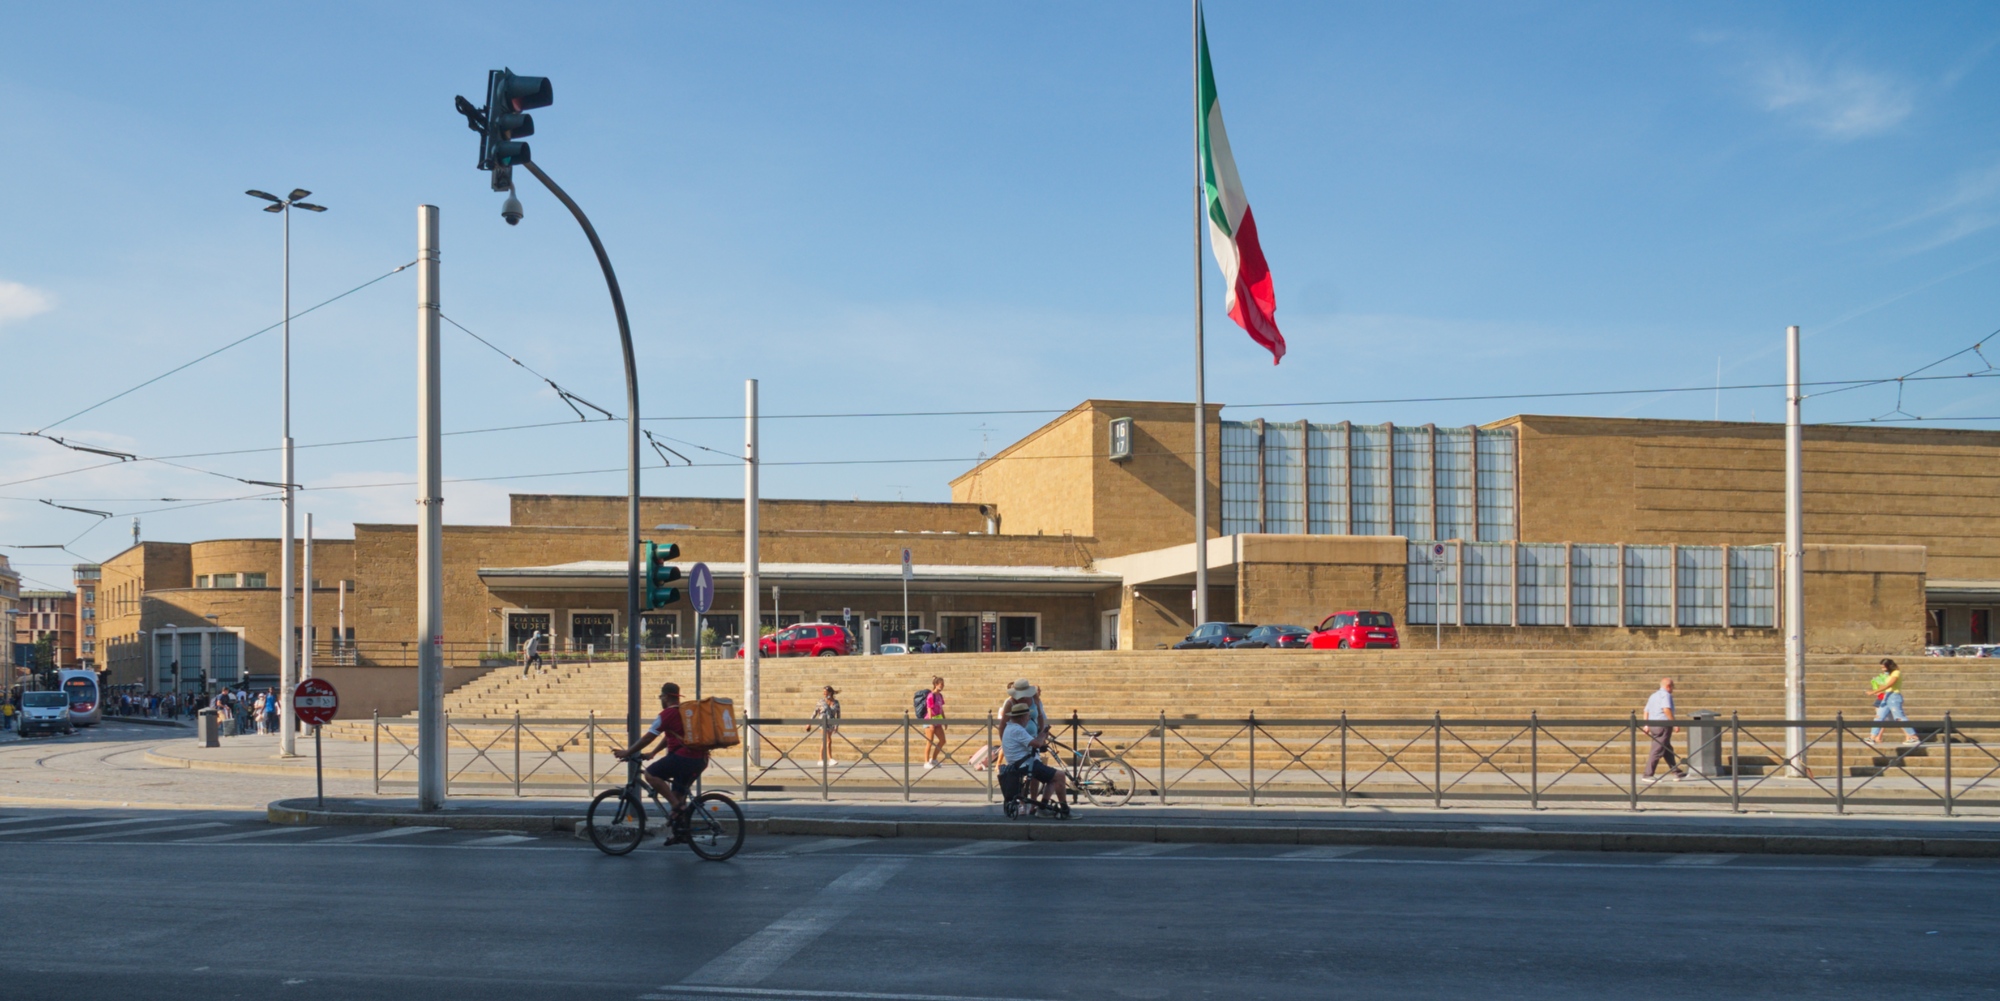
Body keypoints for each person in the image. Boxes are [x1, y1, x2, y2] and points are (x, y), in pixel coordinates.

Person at [610, 682, 709, 844]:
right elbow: (669, 735)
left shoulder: (667, 714)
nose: (660, 700)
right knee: (677, 794)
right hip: (699, 759)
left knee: (650, 774)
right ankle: (681, 833)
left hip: (684, 758)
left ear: (667, 697)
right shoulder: (683, 712)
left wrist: (627, 752)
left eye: (661, 696)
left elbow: (649, 736)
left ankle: (677, 806)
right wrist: (654, 753)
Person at [1001, 702, 1069, 818]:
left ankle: (1043, 807)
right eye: (1028, 716)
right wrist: (1043, 734)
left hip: (1017, 764)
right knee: (1060, 776)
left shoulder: (1010, 728)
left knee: (1052, 779)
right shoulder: (1018, 730)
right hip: (1027, 765)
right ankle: (1064, 809)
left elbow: (1028, 743)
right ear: (1022, 717)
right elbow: (1037, 743)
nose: (1029, 719)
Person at [1866, 658, 1921, 745]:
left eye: (1884, 667)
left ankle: (1913, 737)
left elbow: (1890, 684)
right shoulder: (1888, 674)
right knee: (1878, 716)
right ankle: (1872, 737)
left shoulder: (1896, 672)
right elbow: (1885, 685)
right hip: (1886, 696)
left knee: (1899, 717)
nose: (1882, 669)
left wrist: (1874, 692)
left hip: (1894, 697)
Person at [1643, 677, 1687, 781]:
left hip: (1653, 725)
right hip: (1663, 725)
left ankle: (1676, 772)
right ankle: (1648, 774)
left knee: (1667, 749)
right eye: (1672, 687)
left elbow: (1646, 710)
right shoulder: (1666, 695)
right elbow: (1666, 709)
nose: (1673, 689)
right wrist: (1674, 723)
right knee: (1657, 750)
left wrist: (1646, 724)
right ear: (1668, 686)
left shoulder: (1653, 696)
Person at [809, 685, 841, 766]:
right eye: (823, 692)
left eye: (825, 692)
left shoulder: (836, 702)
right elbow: (815, 712)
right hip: (822, 723)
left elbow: (838, 715)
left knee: (825, 741)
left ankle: (820, 759)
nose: (824, 694)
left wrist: (837, 726)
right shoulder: (821, 701)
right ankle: (830, 759)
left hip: (831, 723)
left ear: (830, 692)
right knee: (828, 740)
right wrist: (809, 722)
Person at [922, 675, 947, 769]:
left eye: (943, 684)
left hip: (938, 720)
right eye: (941, 684)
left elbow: (941, 708)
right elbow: (929, 709)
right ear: (936, 685)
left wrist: (945, 720)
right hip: (930, 720)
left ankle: (934, 759)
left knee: (942, 740)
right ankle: (926, 762)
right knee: (929, 741)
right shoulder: (931, 695)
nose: (942, 686)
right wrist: (931, 722)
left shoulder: (940, 695)